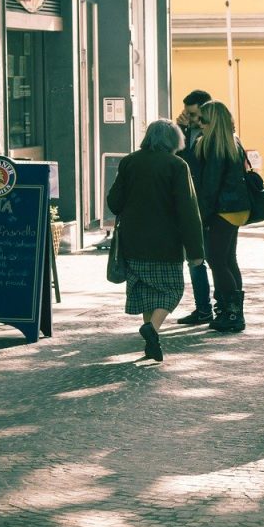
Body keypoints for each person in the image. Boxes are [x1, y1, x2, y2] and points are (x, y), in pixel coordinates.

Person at [106, 119, 205, 362]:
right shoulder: (177, 165)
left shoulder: (129, 162)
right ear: (174, 140)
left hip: (133, 241)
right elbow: (188, 210)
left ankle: (152, 341)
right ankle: (152, 329)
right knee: (171, 289)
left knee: (145, 291)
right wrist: (195, 250)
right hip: (166, 242)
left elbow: (114, 202)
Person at [190, 100, 251, 333]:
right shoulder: (231, 141)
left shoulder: (214, 144)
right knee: (227, 259)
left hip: (221, 210)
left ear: (212, 122)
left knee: (216, 260)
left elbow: (210, 187)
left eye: (202, 120)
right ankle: (232, 311)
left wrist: (202, 217)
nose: (199, 124)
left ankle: (232, 313)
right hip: (236, 209)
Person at [174, 89, 216, 325]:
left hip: (206, 205)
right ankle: (203, 308)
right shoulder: (187, 130)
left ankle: (208, 308)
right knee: (196, 258)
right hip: (190, 202)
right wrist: (180, 130)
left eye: (192, 114)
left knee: (207, 258)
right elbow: (178, 159)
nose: (189, 118)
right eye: (186, 114)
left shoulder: (213, 134)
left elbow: (194, 166)